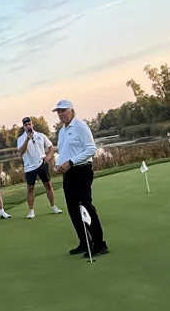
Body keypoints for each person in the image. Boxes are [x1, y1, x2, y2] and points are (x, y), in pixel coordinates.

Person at [52, 100, 108, 258]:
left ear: (71, 110)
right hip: (68, 173)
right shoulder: (62, 131)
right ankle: (85, 242)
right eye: (59, 112)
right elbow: (63, 152)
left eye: (63, 111)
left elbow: (91, 149)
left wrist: (71, 162)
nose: (61, 114)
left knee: (85, 206)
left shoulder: (80, 127)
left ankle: (99, 243)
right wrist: (58, 164)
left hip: (82, 170)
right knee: (72, 209)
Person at [18, 116, 61, 219]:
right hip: (29, 167)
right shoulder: (21, 139)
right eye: (26, 125)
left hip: (42, 164)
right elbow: (21, 151)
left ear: (32, 125)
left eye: (29, 124)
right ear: (24, 127)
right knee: (30, 189)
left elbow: (51, 147)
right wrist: (27, 139)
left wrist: (49, 156)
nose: (28, 126)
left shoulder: (41, 135)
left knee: (48, 185)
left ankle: (53, 206)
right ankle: (31, 211)